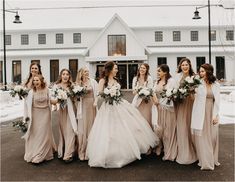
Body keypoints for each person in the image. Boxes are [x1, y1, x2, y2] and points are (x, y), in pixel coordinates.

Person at [86, 61, 158, 168]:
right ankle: (109, 154)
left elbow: (118, 93)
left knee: (126, 126)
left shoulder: (115, 80)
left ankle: (126, 151)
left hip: (119, 104)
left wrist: (116, 96)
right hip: (108, 106)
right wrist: (97, 101)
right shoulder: (102, 80)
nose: (117, 70)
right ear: (110, 69)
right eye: (115, 68)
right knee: (109, 129)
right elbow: (99, 94)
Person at [191, 64, 220, 170]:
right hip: (200, 112)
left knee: (213, 136)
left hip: (212, 111)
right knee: (203, 136)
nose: (201, 73)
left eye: (203, 71)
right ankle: (205, 161)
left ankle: (212, 158)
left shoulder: (216, 84)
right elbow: (193, 98)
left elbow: (217, 101)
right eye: (200, 71)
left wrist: (216, 115)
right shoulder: (198, 83)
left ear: (208, 72)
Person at [23, 74, 56, 163]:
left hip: (45, 114)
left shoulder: (47, 90)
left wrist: (59, 100)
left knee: (43, 134)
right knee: (36, 134)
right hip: (35, 115)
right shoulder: (31, 92)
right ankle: (36, 153)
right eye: (34, 80)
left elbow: (52, 101)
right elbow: (27, 105)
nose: (35, 82)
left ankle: (40, 155)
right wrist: (26, 118)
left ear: (41, 81)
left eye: (37, 80)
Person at [174, 58, 197, 164]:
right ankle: (183, 152)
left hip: (192, 104)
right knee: (182, 127)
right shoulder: (177, 77)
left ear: (190, 65)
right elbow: (174, 89)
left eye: (186, 64)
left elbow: (198, 91)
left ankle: (195, 151)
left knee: (190, 127)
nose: (185, 66)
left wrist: (192, 91)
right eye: (183, 65)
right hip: (181, 104)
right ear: (180, 66)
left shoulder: (194, 77)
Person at [51, 69, 77, 162]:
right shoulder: (56, 86)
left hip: (71, 110)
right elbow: (52, 99)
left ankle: (68, 154)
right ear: (60, 76)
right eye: (63, 74)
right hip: (62, 111)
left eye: (67, 74)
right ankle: (65, 149)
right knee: (63, 131)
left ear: (69, 76)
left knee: (71, 131)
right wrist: (58, 99)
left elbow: (76, 99)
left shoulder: (72, 86)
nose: (65, 76)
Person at [153, 64, 178, 161]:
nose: (157, 73)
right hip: (158, 108)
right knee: (159, 129)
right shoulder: (157, 81)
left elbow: (174, 94)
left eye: (159, 71)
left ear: (165, 72)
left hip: (168, 109)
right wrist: (155, 99)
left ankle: (169, 150)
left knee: (168, 130)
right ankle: (159, 146)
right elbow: (153, 92)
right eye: (157, 71)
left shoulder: (171, 81)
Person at [75, 67, 98, 161]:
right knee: (83, 128)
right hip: (83, 106)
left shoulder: (93, 82)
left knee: (91, 127)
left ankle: (91, 151)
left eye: (88, 71)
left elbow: (97, 94)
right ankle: (82, 151)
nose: (87, 73)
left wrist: (95, 102)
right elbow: (76, 97)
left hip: (92, 106)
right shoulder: (78, 84)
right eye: (85, 71)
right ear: (81, 73)